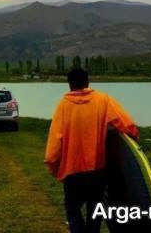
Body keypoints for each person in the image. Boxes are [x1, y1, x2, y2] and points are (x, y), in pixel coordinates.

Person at [44, 68, 138, 233]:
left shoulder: (63, 106)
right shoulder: (103, 100)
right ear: (88, 82)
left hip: (72, 173)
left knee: (73, 211)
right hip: (97, 170)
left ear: (69, 84)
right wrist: (133, 142)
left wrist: (54, 167)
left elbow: (54, 145)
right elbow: (127, 124)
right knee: (95, 212)